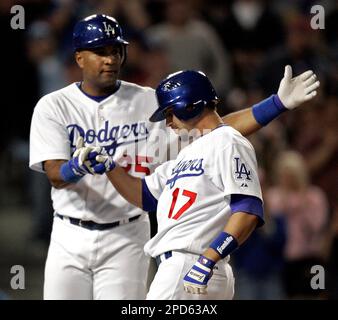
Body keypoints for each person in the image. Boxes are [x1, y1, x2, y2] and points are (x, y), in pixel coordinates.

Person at [29, 14, 320, 300]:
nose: (110, 59)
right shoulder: (54, 105)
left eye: (116, 51)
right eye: (100, 51)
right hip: (72, 229)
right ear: (79, 58)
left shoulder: (149, 102)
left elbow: (216, 129)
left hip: (137, 237)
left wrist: (276, 105)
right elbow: (60, 175)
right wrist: (88, 167)